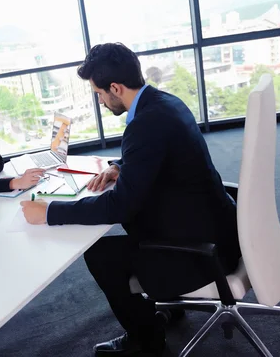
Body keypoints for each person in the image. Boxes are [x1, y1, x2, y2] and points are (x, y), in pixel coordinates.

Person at [20, 44, 241, 356]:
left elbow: (120, 206)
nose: (99, 100)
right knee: (125, 236)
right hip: (221, 230)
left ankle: (147, 342)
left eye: (99, 93)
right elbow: (160, 156)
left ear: (115, 88)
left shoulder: (145, 124)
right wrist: (119, 168)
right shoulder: (165, 103)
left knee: (100, 256)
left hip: (204, 253)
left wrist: (48, 212)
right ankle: (170, 309)